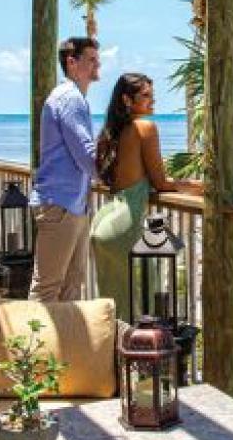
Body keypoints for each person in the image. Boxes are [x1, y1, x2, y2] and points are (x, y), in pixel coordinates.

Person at [90, 73, 201, 319]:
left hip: (104, 221)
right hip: (124, 225)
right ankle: (134, 356)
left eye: (153, 95)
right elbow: (161, 182)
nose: (153, 101)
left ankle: (110, 355)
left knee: (112, 306)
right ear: (127, 100)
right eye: (146, 96)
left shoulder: (114, 132)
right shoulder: (145, 128)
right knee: (140, 307)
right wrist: (201, 187)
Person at [29, 37, 100, 302]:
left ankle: (64, 344)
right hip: (60, 205)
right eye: (91, 59)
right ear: (72, 62)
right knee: (47, 288)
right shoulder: (70, 98)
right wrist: (114, 176)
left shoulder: (72, 97)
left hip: (71, 205)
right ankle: (31, 344)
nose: (98, 64)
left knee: (71, 286)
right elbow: (85, 153)